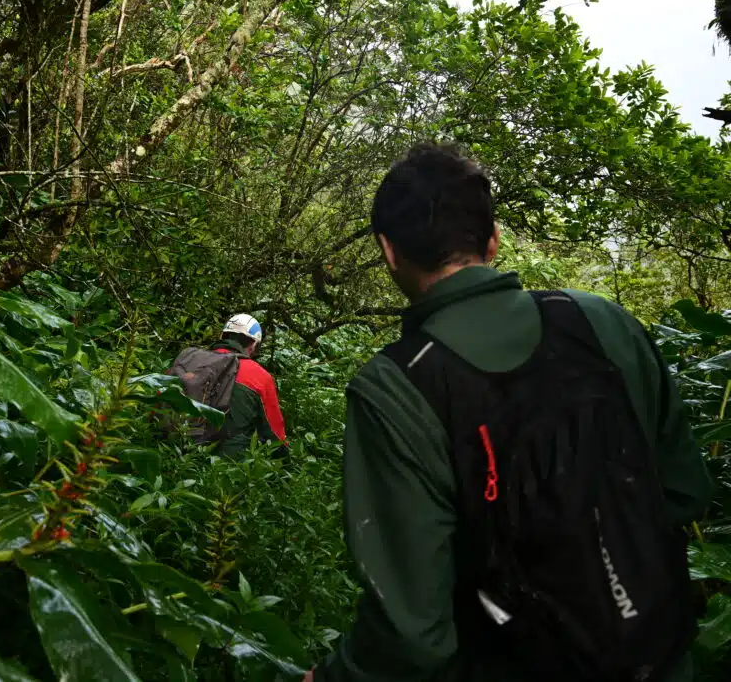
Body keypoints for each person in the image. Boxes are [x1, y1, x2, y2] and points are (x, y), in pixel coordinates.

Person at [308, 143, 713, 682]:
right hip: (660, 657)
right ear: (492, 240)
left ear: (388, 250)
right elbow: (685, 492)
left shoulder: (397, 386)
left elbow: (412, 634)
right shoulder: (603, 322)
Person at [168, 314, 287, 456]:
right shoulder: (259, 376)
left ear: (222, 335)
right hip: (226, 466)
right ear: (254, 344)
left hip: (171, 452)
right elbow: (274, 433)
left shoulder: (190, 361)